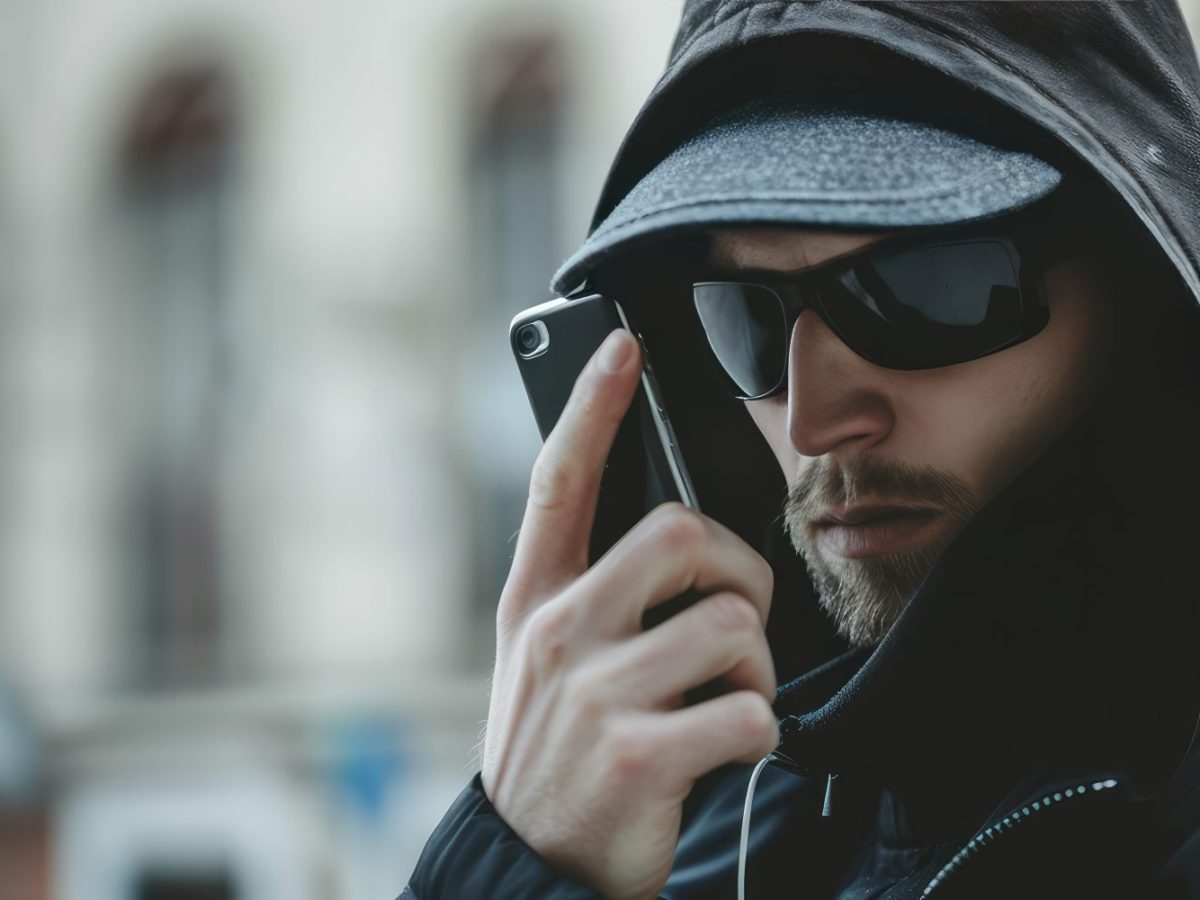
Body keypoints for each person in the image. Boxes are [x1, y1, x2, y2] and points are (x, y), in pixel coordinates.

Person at [403, 3, 1200, 897]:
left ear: (1147, 301)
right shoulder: (727, 831)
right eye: (744, 318)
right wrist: (526, 853)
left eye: (923, 288)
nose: (812, 421)